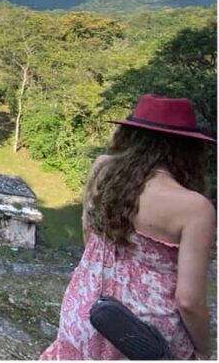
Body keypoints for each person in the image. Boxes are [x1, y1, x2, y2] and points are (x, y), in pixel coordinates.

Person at [41, 94, 216, 360]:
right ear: (188, 149)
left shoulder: (103, 170)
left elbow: (91, 238)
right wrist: (206, 350)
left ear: (130, 136)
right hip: (145, 337)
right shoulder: (195, 208)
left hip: (88, 311)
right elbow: (189, 301)